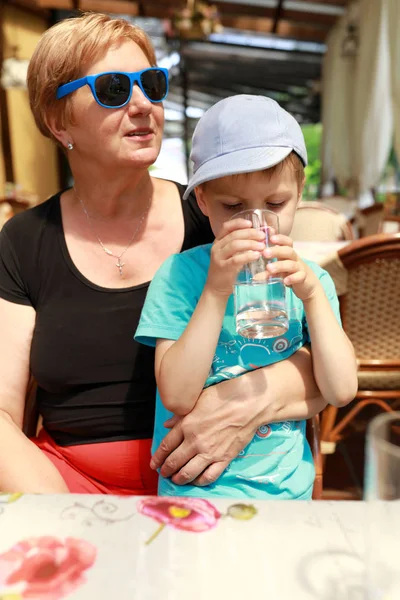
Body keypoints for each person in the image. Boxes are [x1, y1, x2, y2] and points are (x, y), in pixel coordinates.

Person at [0, 13, 329, 496]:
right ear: (56, 120)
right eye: (114, 89)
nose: (143, 105)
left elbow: (315, 354)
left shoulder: (217, 217)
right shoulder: (25, 240)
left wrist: (243, 407)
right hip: (69, 485)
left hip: (214, 481)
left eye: (151, 84)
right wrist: (65, 513)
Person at [136, 95, 358, 499]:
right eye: (234, 207)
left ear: (299, 192)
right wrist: (218, 289)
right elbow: (178, 394)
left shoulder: (314, 281)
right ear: (202, 199)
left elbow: (341, 390)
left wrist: (310, 294)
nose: (258, 223)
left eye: (275, 203)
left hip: (288, 493)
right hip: (198, 493)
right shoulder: (181, 275)